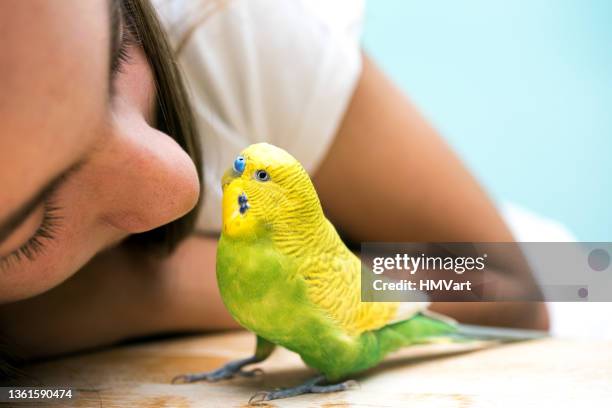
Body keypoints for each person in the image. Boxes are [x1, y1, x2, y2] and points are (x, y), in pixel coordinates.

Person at [0, 0, 548, 374]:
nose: (181, 187)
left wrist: (143, 292)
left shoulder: (237, 28)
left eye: (118, 54)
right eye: (35, 226)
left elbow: (527, 284)